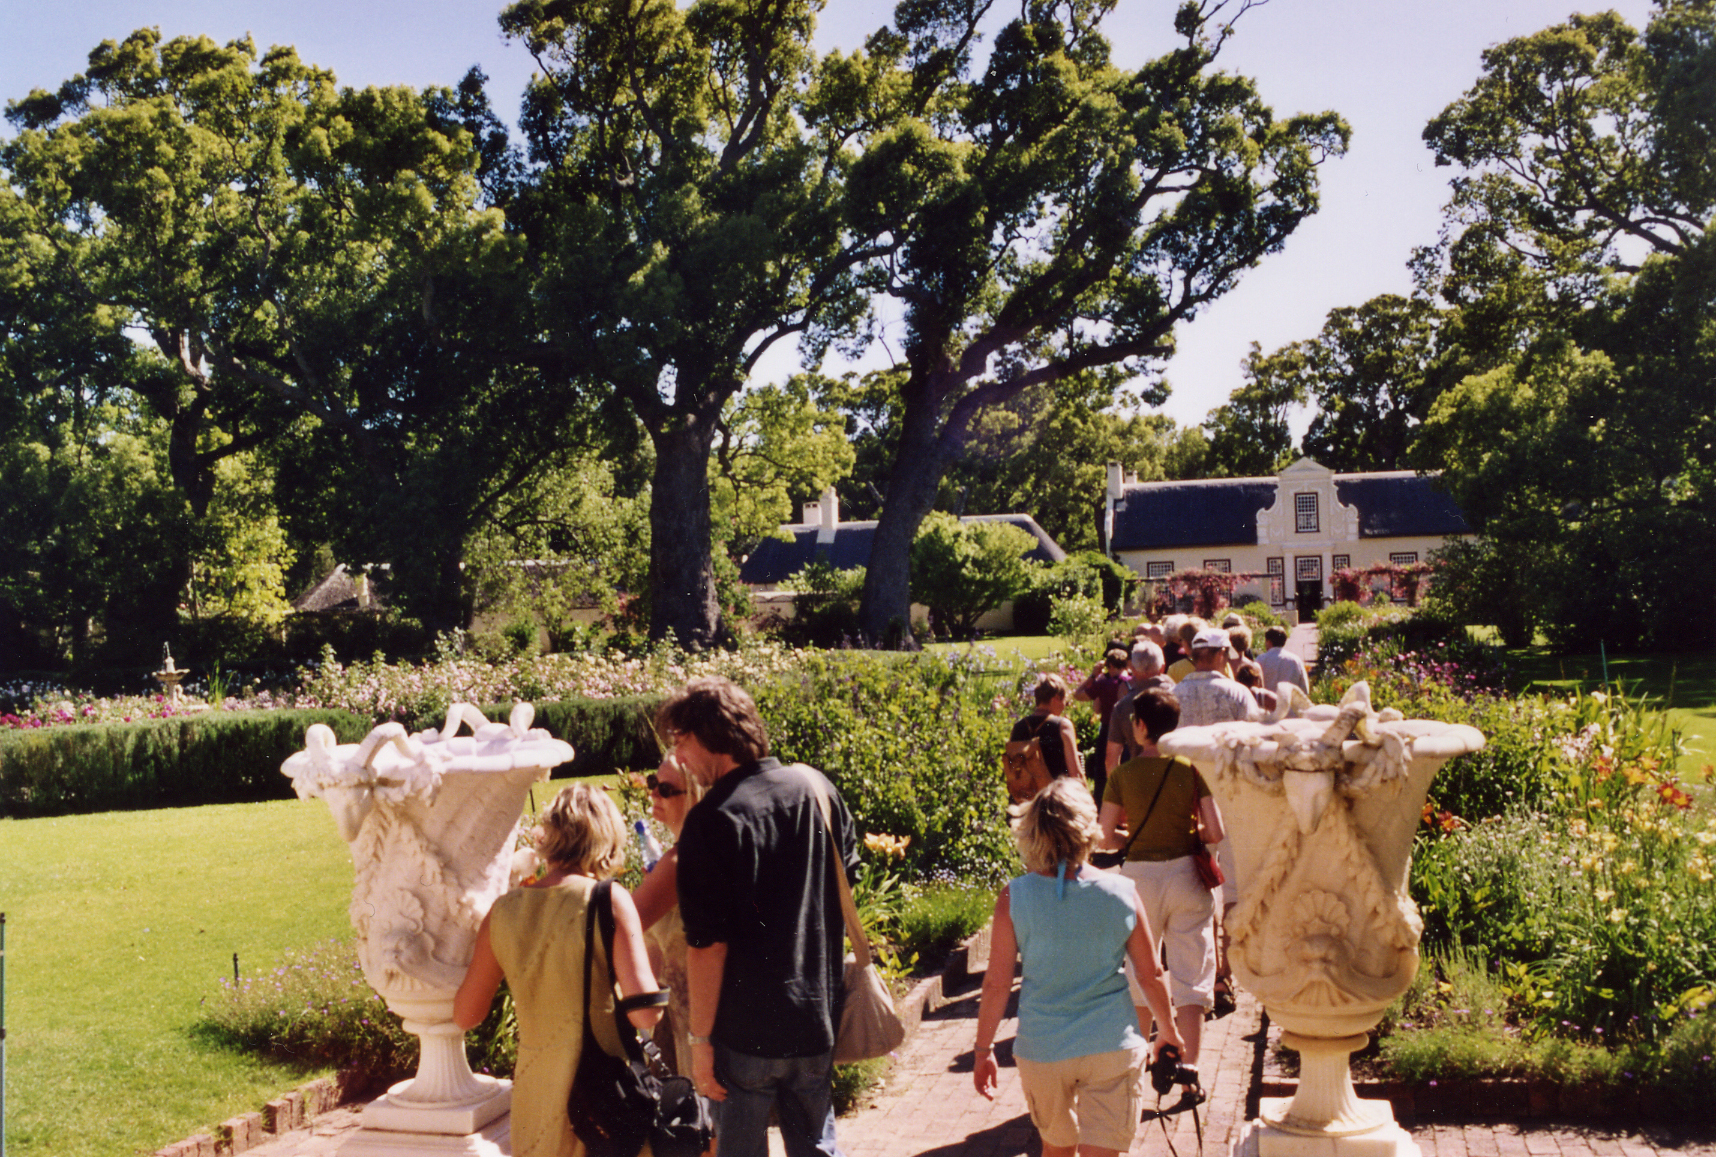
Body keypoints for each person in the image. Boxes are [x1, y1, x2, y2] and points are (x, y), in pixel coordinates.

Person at [663, 677, 858, 1157]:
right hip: (814, 1021)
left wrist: (700, 1043)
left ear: (710, 736)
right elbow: (842, 886)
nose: (680, 758)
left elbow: (708, 946)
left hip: (744, 1035)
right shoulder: (815, 789)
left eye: (681, 742)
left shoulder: (712, 820)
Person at [972, 778, 1185, 1157]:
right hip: (1111, 1045)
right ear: (1090, 828)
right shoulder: (1122, 892)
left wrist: (984, 1048)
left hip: (1043, 1048)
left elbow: (995, 985)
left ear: (1033, 831)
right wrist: (1167, 1031)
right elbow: (1150, 974)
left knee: (1056, 1150)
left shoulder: (1014, 896)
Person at [455, 784, 664, 1157]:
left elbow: (466, 1014)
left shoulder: (503, 911)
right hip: (604, 1088)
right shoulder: (608, 899)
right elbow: (645, 1011)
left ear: (547, 837)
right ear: (607, 840)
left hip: (537, 1088)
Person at [1100, 690, 1226, 1079]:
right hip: (1186, 875)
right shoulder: (1191, 767)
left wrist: (1132, 837)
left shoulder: (1122, 774)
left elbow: (1104, 837)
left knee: (1142, 972)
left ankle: (1138, 1069)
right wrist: (1187, 832)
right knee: (1191, 976)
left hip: (1139, 880)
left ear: (1140, 726)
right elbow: (1216, 832)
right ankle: (1189, 1070)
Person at [631, 754, 709, 1080]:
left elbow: (620, 926)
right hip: (687, 1025)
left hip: (702, 1030)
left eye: (665, 788)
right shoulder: (683, 854)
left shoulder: (681, 862)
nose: (653, 794)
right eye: (652, 783)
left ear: (695, 795)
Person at [1105, 641, 1173, 778]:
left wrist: (1118, 791)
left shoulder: (1123, 706)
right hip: (1175, 776)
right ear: (1162, 667)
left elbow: (1111, 758)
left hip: (1139, 779)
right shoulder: (1177, 696)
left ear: (1133, 670)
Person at [1072, 649, 1131, 803]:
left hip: (1108, 728)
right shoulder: (1131, 681)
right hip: (1128, 730)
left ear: (1109, 665)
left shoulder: (1103, 683)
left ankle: (1102, 804)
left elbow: (1078, 694)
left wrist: (1093, 675)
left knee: (1103, 771)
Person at [1174, 628, 1263, 728]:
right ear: (1220, 654)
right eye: (1227, 655)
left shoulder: (1174, 694)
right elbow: (1253, 733)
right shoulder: (1238, 693)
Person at [1012, 673, 1083, 783]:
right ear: (1056, 698)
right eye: (1064, 700)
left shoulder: (1018, 726)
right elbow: (1076, 773)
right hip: (1054, 796)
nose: (1065, 705)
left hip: (1024, 797)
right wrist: (1087, 798)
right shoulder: (1062, 726)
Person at [1257, 625, 1310, 696]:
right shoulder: (1295, 660)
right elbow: (1305, 689)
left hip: (1266, 704)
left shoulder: (1260, 660)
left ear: (1269, 642)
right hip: (1289, 704)